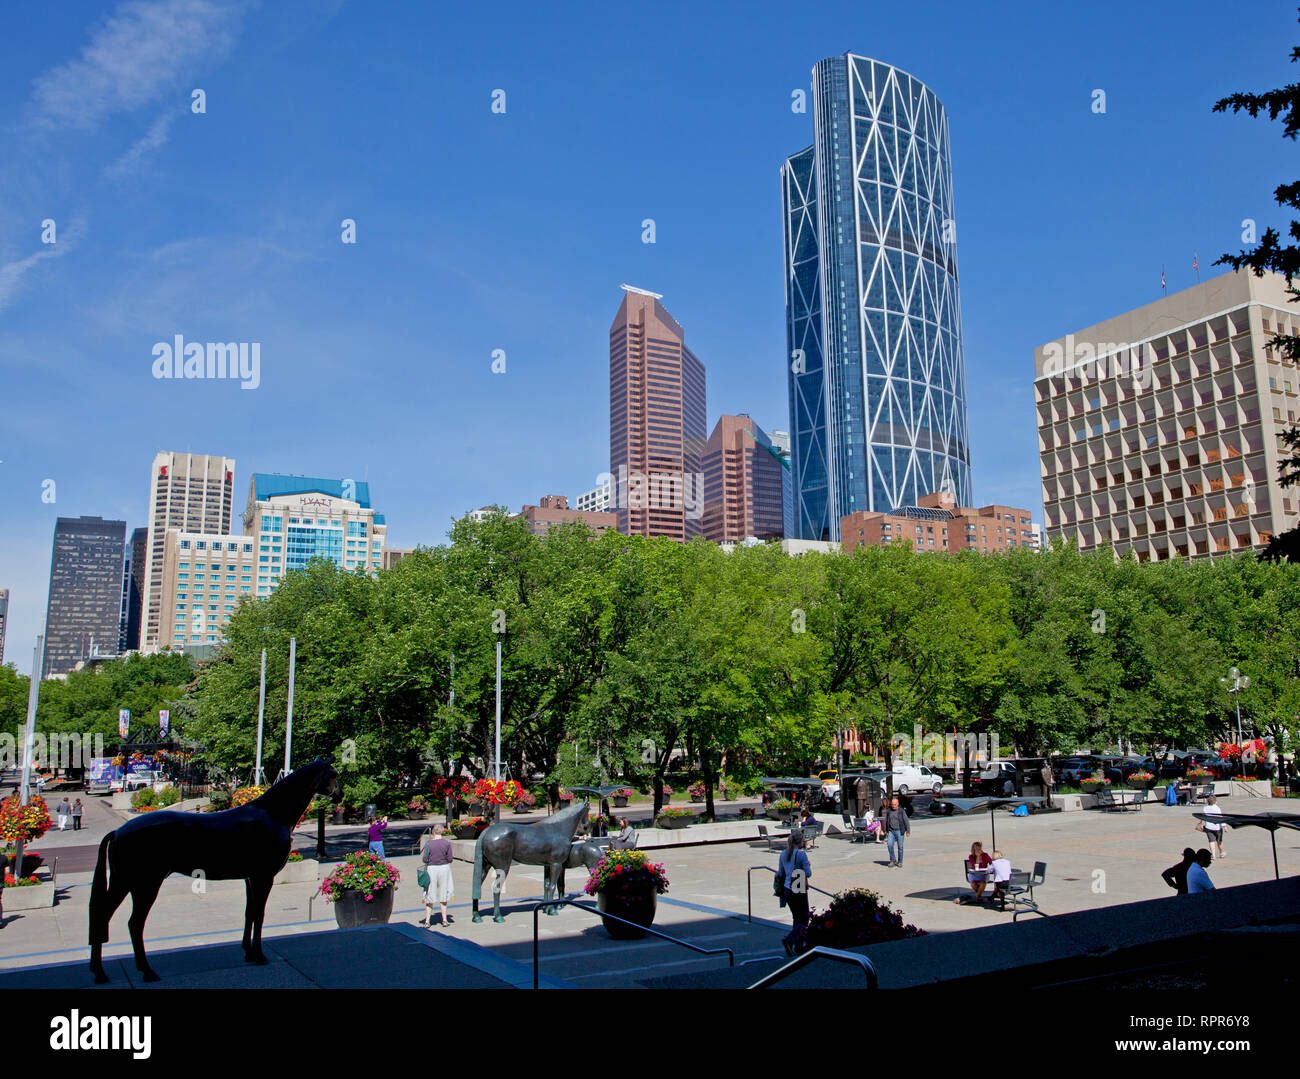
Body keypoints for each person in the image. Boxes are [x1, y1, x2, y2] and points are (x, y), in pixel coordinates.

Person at [777, 829, 812, 956]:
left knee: (796, 918)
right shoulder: (801, 854)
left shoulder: (783, 854)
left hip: (787, 888)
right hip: (799, 888)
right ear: (800, 841)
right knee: (804, 919)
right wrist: (807, 865)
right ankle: (791, 940)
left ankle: (797, 944)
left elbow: (781, 873)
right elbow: (808, 873)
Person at [421, 824, 455, 927]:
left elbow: (425, 859)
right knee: (443, 893)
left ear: (433, 832)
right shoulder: (446, 843)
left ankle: (427, 921)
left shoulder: (429, 843)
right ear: (442, 832)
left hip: (432, 869)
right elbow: (450, 859)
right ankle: (444, 920)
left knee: (430, 893)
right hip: (444, 868)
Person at [883, 795, 910, 867]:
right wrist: (885, 830)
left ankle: (900, 861)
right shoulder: (889, 811)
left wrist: (908, 831)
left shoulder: (901, 811)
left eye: (895, 804)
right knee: (889, 845)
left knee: (900, 847)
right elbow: (886, 821)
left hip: (900, 831)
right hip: (891, 831)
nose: (893, 806)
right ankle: (893, 860)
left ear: (898, 804)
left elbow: (906, 821)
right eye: (892, 804)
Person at [1201, 795, 1225, 859]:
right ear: (1215, 801)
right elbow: (1220, 817)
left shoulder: (1205, 808)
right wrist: (1224, 826)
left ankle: (1213, 855)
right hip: (1217, 827)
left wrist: (1201, 823)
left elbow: (1203, 817)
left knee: (1211, 841)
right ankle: (1221, 853)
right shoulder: (1217, 808)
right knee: (1219, 841)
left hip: (1208, 827)